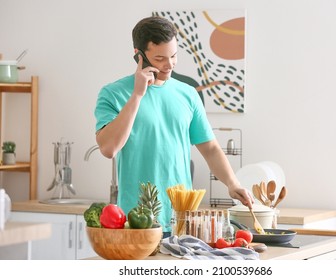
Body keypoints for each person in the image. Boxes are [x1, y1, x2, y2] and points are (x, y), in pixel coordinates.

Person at [94, 16, 254, 237]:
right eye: (160, 58)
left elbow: (209, 148)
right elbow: (108, 148)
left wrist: (232, 183)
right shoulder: (114, 93)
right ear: (138, 56)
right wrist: (138, 95)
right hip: (137, 222)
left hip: (183, 219)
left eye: (174, 56)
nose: (169, 65)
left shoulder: (187, 93)